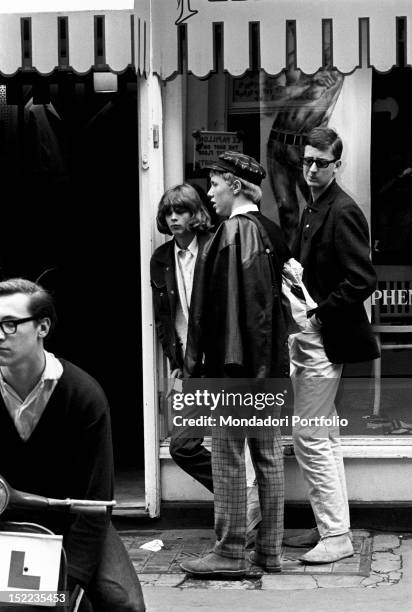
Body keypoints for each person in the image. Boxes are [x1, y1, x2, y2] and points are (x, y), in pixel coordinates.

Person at [0, 278, 145, 611]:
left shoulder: (82, 395)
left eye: (10, 324)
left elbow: (96, 503)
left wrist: (72, 581)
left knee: (123, 604)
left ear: (43, 327)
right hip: (6, 519)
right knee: (20, 603)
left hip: (72, 519)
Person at [180, 151, 290, 577]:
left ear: (236, 186)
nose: (210, 193)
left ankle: (229, 552)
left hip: (237, 366)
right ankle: (269, 551)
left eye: (215, 184)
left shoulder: (232, 232)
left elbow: (228, 312)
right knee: (267, 455)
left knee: (227, 455)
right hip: (267, 365)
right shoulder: (270, 230)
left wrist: (213, 370)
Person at [286, 127, 380, 563]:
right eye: (306, 160)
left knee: (310, 435)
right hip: (312, 337)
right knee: (322, 434)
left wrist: (319, 314)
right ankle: (330, 526)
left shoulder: (342, 210)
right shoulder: (313, 206)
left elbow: (362, 278)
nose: (310, 168)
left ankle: (338, 538)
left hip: (325, 339)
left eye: (319, 162)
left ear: (337, 165)